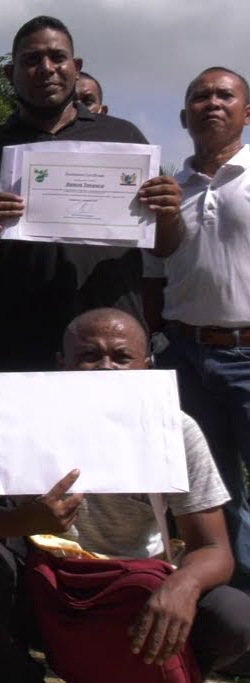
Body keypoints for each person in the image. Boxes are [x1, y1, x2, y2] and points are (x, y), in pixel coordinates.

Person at [0, 308, 250, 683]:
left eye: (121, 357)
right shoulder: (25, 419)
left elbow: (214, 549)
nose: (106, 368)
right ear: (61, 365)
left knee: (235, 616)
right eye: (89, 356)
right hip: (43, 587)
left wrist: (183, 587)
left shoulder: (175, 430)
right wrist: (23, 521)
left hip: (132, 593)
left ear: (147, 367)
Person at [0, 15, 179, 375]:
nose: (46, 68)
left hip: (110, 350)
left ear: (76, 66)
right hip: (18, 350)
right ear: (10, 73)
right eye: (32, 59)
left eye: (57, 57)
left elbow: (164, 246)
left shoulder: (124, 139)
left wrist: (169, 213)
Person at [147, 66, 250, 590]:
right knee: (214, 490)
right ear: (183, 115)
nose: (212, 103)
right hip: (185, 353)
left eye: (225, 95)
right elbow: (154, 271)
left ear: (247, 111)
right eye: (200, 96)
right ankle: (237, 610)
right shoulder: (169, 189)